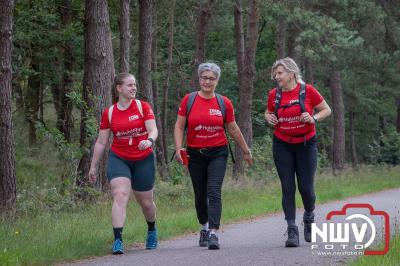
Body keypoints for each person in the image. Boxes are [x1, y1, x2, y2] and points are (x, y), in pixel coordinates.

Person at [174, 62, 253, 250]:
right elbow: (179, 126)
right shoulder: (189, 100)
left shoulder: (223, 102)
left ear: (217, 81)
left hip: (218, 151)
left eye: (211, 78)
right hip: (195, 153)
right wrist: (179, 148)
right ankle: (204, 227)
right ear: (199, 78)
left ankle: (213, 233)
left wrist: (245, 151)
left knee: (214, 190)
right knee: (200, 194)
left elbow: (232, 128)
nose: (207, 81)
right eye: (204, 77)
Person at [88, 73, 159, 254]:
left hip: (143, 158)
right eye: (129, 85)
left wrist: (149, 141)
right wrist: (93, 166)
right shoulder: (110, 112)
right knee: (120, 194)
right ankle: (118, 240)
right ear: (119, 88)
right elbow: (102, 142)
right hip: (119, 157)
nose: (134, 88)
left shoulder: (143, 107)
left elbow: (153, 130)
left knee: (146, 203)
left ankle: (151, 230)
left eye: (135, 84)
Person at [265, 57, 331, 247]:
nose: (276, 77)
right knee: (287, 187)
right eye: (275, 73)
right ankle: (292, 230)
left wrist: (313, 118)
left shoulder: (307, 91)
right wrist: (269, 118)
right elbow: (268, 112)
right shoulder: (274, 95)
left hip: (306, 144)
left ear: (291, 73)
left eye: (280, 73)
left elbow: (326, 109)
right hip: (282, 145)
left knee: (306, 188)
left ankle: (309, 216)